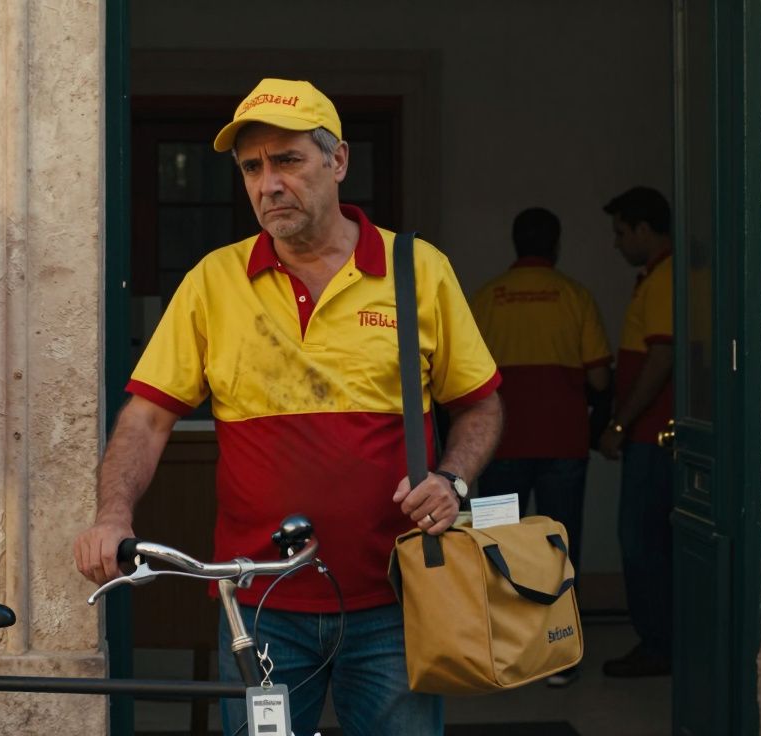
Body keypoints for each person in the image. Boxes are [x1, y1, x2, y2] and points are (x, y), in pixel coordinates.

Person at [73, 78, 503, 735]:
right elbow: (147, 417)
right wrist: (112, 512)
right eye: (251, 167)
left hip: (394, 598)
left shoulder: (418, 270)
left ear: (338, 162)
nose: (267, 183)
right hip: (259, 604)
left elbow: (480, 405)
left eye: (288, 160)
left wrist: (452, 479)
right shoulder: (214, 282)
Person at [469, 207, 611, 688]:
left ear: (515, 243)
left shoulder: (487, 299)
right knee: (560, 549)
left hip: (499, 448)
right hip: (562, 445)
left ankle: (504, 654)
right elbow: (598, 375)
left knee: (498, 548)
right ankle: (561, 657)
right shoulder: (575, 296)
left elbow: (462, 380)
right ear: (556, 244)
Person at [596, 186, 674, 678]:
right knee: (648, 542)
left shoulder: (665, 278)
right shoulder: (654, 276)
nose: (617, 243)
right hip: (648, 433)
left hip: (654, 436)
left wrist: (621, 424)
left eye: (622, 233)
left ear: (644, 230)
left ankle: (658, 645)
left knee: (642, 542)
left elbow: (661, 357)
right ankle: (661, 641)